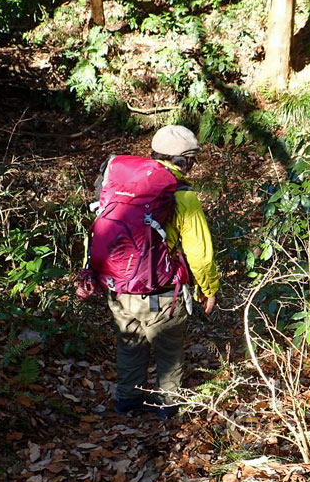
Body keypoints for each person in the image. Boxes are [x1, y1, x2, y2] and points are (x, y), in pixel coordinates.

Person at [93, 125, 220, 419]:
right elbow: (199, 252)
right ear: (187, 160)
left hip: (119, 287)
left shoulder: (122, 183)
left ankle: (128, 402)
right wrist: (208, 289)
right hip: (160, 292)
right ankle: (167, 407)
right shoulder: (181, 194)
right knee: (169, 353)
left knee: (130, 345)